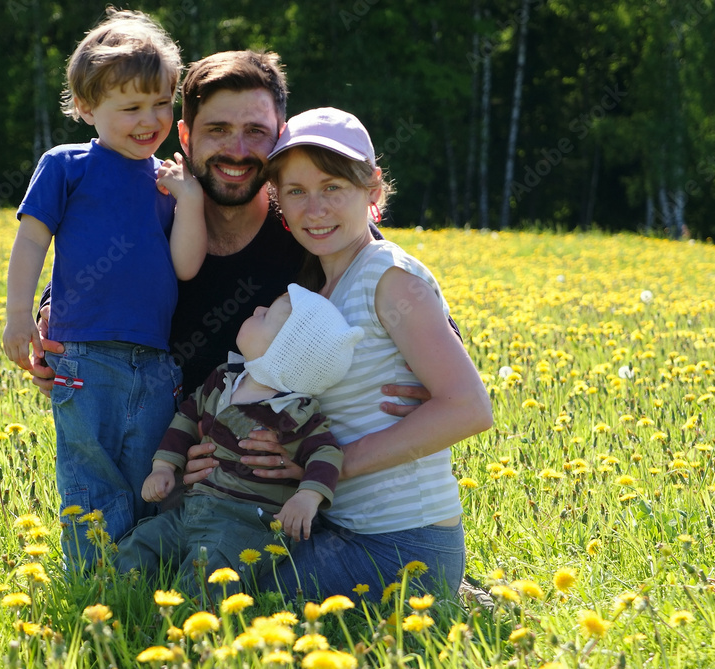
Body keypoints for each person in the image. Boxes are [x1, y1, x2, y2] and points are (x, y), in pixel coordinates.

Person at [28, 50, 430, 476]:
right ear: (185, 136)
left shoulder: (306, 228)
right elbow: (95, 259)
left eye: (255, 132)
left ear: (279, 138)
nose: (237, 150)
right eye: (218, 129)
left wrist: (426, 359)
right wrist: (55, 318)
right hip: (160, 466)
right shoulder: (155, 208)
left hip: (277, 484)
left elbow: (377, 265)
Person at [246, 107, 494, 598]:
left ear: (373, 189)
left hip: (403, 542)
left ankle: (450, 592)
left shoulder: (389, 277)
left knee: (242, 601)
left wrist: (326, 467)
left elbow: (469, 408)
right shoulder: (320, 285)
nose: (313, 209)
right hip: (346, 528)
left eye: (333, 187)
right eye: (296, 191)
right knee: (220, 568)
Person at [1, 9, 206, 569]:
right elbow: (31, 242)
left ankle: (138, 577)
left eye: (162, 104)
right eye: (131, 107)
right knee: (90, 474)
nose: (150, 120)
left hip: (158, 362)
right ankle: (93, 580)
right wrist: (20, 313)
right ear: (88, 109)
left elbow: (185, 267)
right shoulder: (66, 166)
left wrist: (189, 201)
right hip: (83, 355)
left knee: (149, 478)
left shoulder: (168, 182)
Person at [114, 285, 363, 593]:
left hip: (245, 524)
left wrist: (307, 497)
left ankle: (190, 630)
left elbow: (326, 452)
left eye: (267, 315)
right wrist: (163, 466)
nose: (257, 310)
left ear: (281, 353)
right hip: (192, 510)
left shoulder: (295, 413)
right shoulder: (223, 378)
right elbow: (186, 418)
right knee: (139, 546)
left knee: (210, 574)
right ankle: (121, 604)